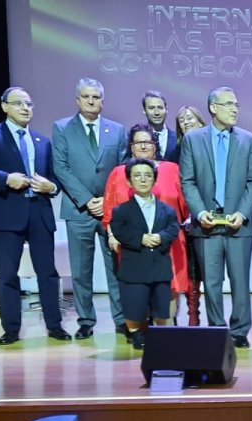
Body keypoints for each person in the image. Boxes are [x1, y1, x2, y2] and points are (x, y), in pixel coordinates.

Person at [0, 86, 71, 345]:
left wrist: (51, 187)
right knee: (8, 274)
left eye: (29, 104)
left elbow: (55, 179)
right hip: (7, 212)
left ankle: (54, 326)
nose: (25, 108)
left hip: (40, 213)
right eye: (19, 103)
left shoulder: (42, 141)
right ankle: (11, 329)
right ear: (4, 106)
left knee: (48, 273)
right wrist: (4, 179)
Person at [179, 86, 252, 349]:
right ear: (213, 108)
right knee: (212, 282)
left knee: (240, 281)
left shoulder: (249, 140)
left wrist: (242, 212)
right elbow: (188, 181)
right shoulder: (193, 140)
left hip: (238, 225)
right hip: (206, 225)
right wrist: (199, 211)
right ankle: (216, 328)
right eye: (229, 104)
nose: (235, 109)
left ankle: (239, 330)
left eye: (236, 104)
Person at [52, 78, 128, 340]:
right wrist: (86, 200)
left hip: (110, 211)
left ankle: (121, 319)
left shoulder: (117, 130)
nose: (91, 101)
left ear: (103, 101)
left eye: (96, 97)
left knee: (115, 267)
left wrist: (107, 202)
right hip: (79, 211)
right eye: (86, 97)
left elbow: (121, 170)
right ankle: (86, 320)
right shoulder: (62, 128)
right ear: (77, 100)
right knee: (81, 269)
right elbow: (61, 167)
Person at [102, 124, 190, 331]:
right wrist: (113, 236)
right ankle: (139, 334)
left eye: (148, 142)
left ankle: (166, 331)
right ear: (130, 146)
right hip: (133, 246)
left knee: (169, 288)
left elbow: (184, 207)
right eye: (137, 142)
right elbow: (110, 210)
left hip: (168, 242)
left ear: (155, 144)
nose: (143, 146)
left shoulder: (172, 169)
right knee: (137, 291)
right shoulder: (119, 173)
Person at [109, 158, 181, 349]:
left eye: (148, 175)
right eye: (137, 176)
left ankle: (160, 333)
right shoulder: (121, 211)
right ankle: (135, 334)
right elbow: (119, 230)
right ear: (129, 181)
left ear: (154, 180)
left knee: (160, 307)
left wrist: (161, 237)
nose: (143, 180)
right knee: (134, 305)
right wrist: (140, 238)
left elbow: (174, 228)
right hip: (134, 266)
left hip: (159, 265)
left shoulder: (166, 209)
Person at [175, 105, 207, 325]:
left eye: (190, 118)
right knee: (184, 269)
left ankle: (195, 315)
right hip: (178, 220)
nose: (185, 122)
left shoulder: (208, 149)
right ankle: (188, 317)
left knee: (200, 270)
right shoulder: (174, 152)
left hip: (203, 217)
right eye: (181, 120)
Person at [142, 90, 180, 162]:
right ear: (144, 110)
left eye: (160, 107)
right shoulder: (135, 138)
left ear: (166, 109)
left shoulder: (178, 139)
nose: (156, 112)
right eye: (151, 108)